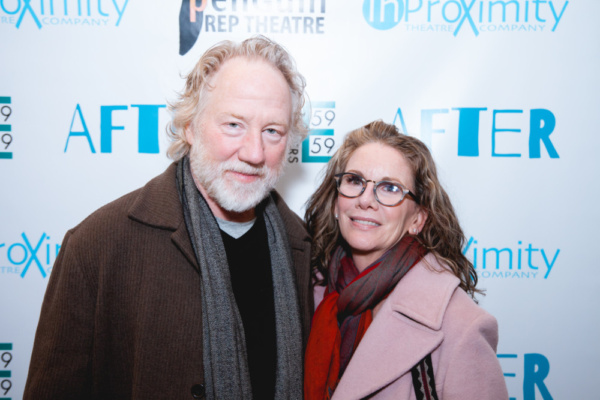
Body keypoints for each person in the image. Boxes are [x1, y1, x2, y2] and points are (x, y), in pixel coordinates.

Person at [24, 36, 313, 400]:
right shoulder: (99, 245)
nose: (255, 152)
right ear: (189, 126)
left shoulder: (298, 247)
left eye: (272, 131)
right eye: (234, 125)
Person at [303, 121, 508, 399]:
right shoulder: (307, 298)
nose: (366, 200)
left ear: (417, 219)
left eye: (390, 188)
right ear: (336, 201)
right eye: (354, 181)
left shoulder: (460, 327)